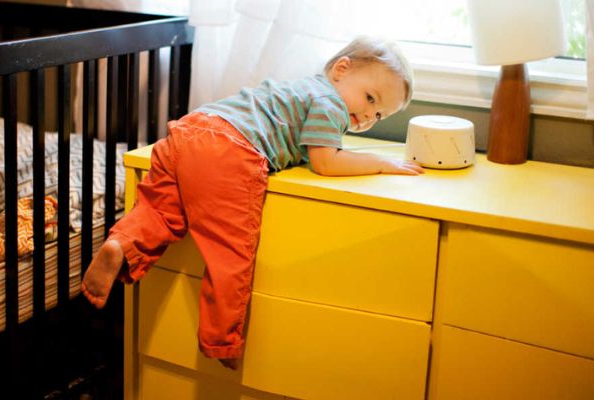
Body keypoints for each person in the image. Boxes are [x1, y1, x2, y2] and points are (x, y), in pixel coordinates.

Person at [81, 36, 423, 370]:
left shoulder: (303, 88)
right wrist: (381, 163)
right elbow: (326, 162)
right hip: (230, 150)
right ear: (341, 69)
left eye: (379, 115)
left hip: (190, 131)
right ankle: (222, 340)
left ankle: (120, 245)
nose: (367, 117)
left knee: (161, 211)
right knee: (230, 250)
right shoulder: (330, 103)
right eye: (369, 98)